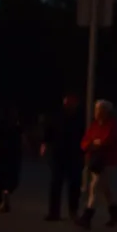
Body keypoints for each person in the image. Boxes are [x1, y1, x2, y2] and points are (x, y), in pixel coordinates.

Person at [76, 100, 117, 230]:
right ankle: (115, 214)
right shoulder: (95, 125)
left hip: (107, 161)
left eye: (99, 110)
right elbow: (86, 141)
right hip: (96, 161)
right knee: (105, 189)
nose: (96, 112)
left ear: (106, 112)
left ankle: (87, 216)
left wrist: (94, 144)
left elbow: (106, 141)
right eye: (96, 109)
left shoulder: (111, 125)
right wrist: (92, 144)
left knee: (95, 187)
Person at [41, 94, 85, 222]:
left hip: (74, 154)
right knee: (56, 183)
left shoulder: (80, 117)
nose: (68, 105)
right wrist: (44, 144)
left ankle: (73, 211)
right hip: (58, 153)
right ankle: (54, 212)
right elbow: (48, 131)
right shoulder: (57, 116)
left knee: (74, 184)